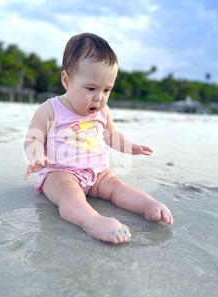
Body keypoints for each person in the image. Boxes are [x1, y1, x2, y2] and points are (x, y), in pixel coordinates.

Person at [24, 33, 173, 245]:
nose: (99, 97)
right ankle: (92, 221)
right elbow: (33, 138)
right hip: (59, 172)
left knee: (117, 187)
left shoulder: (103, 112)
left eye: (107, 90)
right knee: (69, 195)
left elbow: (111, 134)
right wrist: (37, 155)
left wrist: (131, 147)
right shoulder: (51, 109)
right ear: (67, 80)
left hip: (97, 173)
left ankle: (147, 205)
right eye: (91, 88)